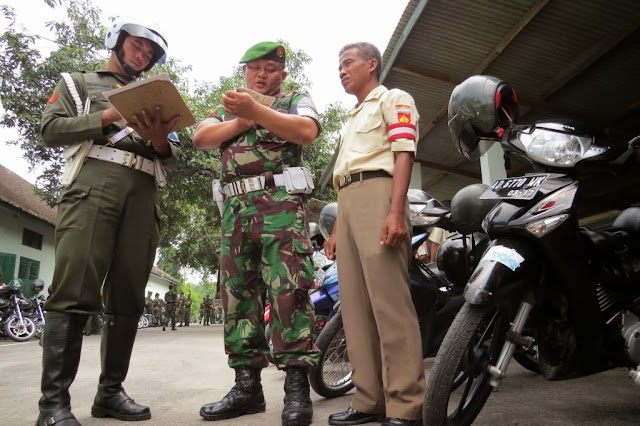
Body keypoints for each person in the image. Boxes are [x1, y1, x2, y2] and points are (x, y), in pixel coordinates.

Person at [36, 18, 181, 426]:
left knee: (128, 296)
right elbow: (50, 129)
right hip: (93, 186)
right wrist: (109, 115)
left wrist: (158, 139)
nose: (142, 55)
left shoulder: (155, 96)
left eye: (149, 53)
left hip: (144, 191)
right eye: (137, 46)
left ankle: (110, 394)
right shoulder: (79, 82)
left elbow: (175, 157)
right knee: (75, 289)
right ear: (117, 42)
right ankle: (53, 407)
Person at [193, 41, 321, 426]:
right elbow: (202, 137)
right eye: (254, 68)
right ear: (244, 72)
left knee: (289, 292)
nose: (261, 74)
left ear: (282, 74)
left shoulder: (295, 98)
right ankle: (247, 388)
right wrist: (242, 120)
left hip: (279, 205)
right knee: (237, 296)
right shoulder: (230, 105)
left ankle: (296, 390)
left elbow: (307, 131)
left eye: (269, 68)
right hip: (234, 212)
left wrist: (259, 112)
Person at [325, 42, 425, 426]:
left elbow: (404, 151)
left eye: (347, 62)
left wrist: (396, 210)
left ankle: (406, 405)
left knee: (389, 304)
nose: (341, 70)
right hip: (348, 203)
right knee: (354, 308)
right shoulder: (352, 117)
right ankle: (369, 400)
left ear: (372, 64)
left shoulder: (393, 98)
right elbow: (344, 174)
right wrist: (335, 230)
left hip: (379, 194)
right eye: (339, 65)